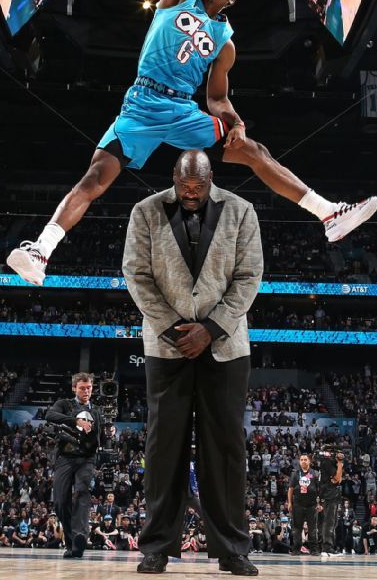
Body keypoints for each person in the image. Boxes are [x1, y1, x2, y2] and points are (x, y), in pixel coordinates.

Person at [7, 0, 377, 287]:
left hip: (183, 111)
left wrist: (235, 122)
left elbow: (216, 99)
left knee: (253, 151)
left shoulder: (225, 41)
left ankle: (328, 215)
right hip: (141, 103)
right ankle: (40, 251)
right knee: (95, 178)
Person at [123, 150, 260, 576]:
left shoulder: (242, 211)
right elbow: (136, 274)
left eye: (199, 187)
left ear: (211, 178)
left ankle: (232, 549)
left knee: (225, 450)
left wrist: (212, 328)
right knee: (164, 448)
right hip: (168, 348)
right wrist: (173, 329)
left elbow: (249, 275)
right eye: (184, 187)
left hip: (225, 347)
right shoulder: (145, 212)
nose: (191, 193)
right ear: (174, 179)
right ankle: (157, 546)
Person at [46, 371, 107, 559]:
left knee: (82, 491)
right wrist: (75, 421)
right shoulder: (64, 404)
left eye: (89, 388)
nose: (86, 391)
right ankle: (72, 543)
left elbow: (101, 439)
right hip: (65, 457)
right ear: (74, 388)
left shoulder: (96, 411)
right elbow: (50, 415)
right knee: (60, 502)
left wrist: (108, 431)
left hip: (87, 459)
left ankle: (80, 535)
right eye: (82, 388)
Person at [314, 449, 343, 557]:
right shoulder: (327, 462)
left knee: (326, 523)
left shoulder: (324, 463)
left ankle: (324, 547)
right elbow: (337, 478)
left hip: (326, 495)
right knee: (329, 523)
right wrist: (340, 463)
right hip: (329, 496)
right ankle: (328, 548)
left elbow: (338, 480)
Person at [288, 454, 319, 556]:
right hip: (298, 504)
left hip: (312, 505)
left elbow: (320, 490)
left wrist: (320, 503)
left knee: (312, 528)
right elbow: (291, 489)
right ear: (299, 462)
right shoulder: (295, 474)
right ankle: (296, 549)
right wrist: (289, 502)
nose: (303, 461)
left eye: (305, 459)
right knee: (297, 528)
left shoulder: (315, 473)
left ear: (309, 461)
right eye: (301, 460)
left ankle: (314, 549)